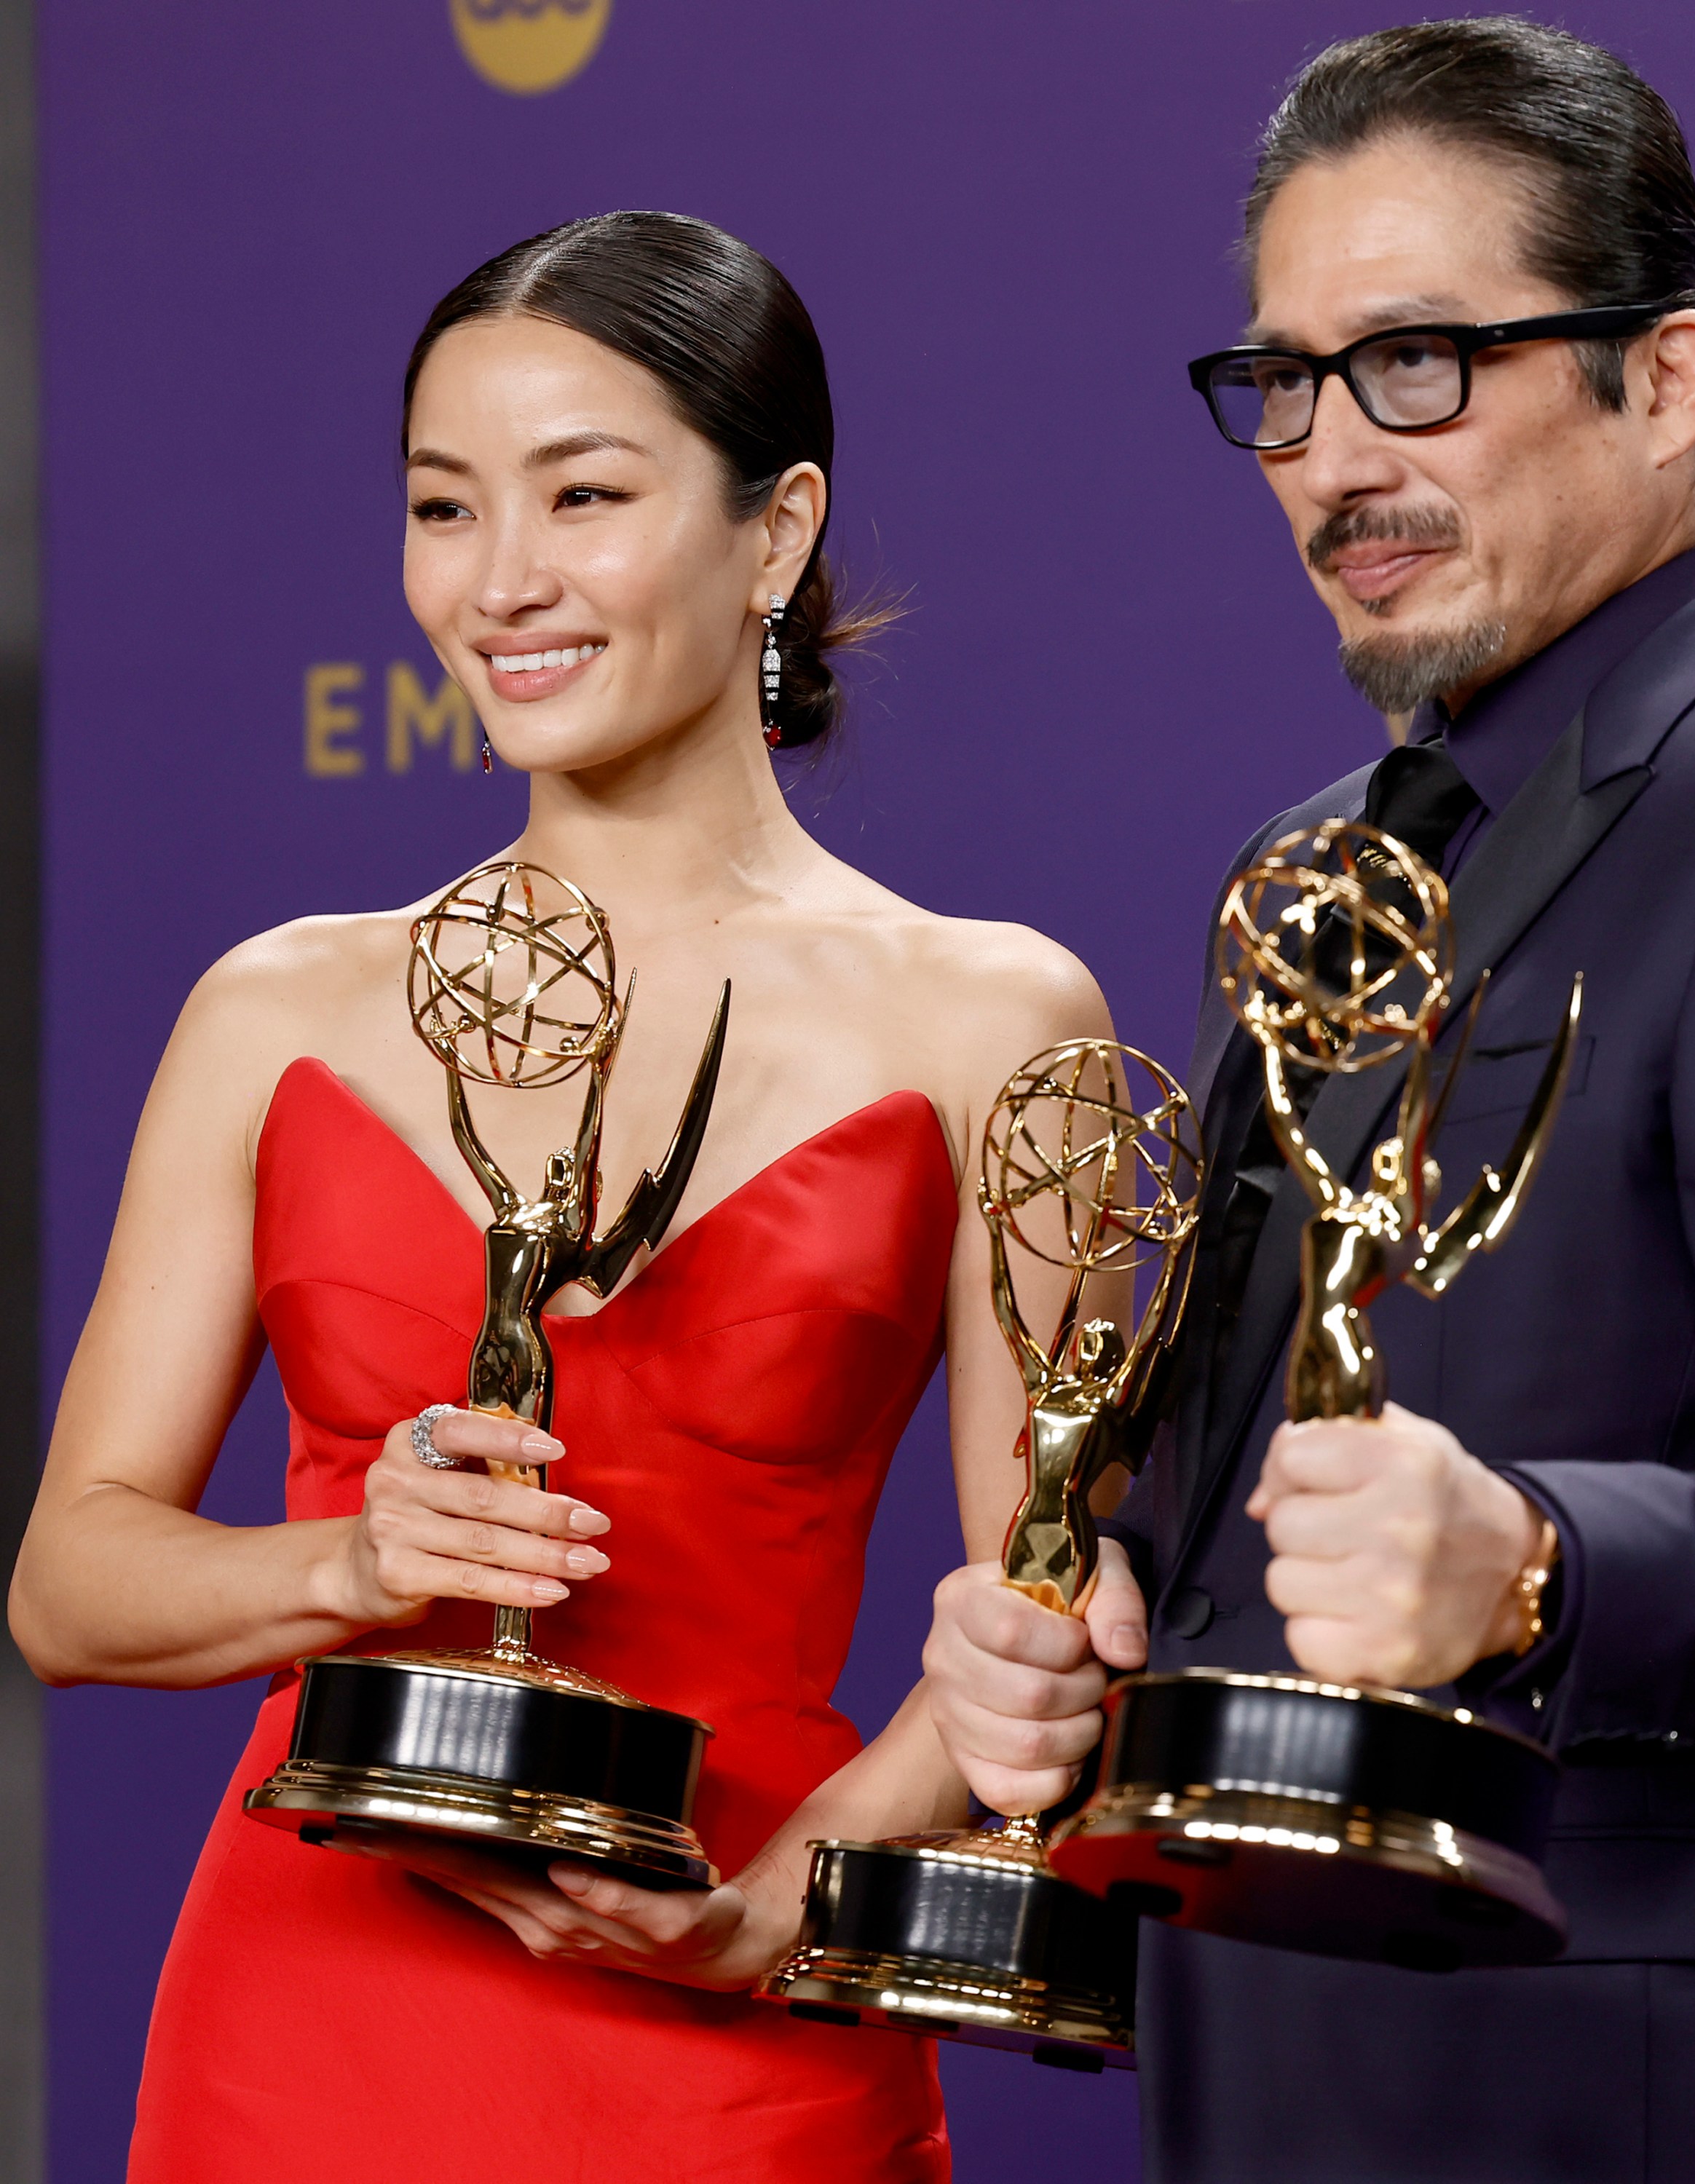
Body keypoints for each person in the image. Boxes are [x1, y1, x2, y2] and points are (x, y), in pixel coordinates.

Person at [920, 20, 1695, 2183]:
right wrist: (1070, 1620)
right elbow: (1249, 1468)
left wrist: (1530, 1560)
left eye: (1421, 361)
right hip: (1263, 2061)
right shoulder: (1319, 861)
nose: (1340, 459)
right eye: (1288, 384)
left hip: (1621, 2097)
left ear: (1668, 378)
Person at [7, 211, 1115, 2183]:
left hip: (750, 2003)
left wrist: (781, 1909)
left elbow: (1045, 1596)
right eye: (444, 507)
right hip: (307, 2029)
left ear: (774, 534)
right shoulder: (277, 1008)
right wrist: (352, 1563)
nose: (499, 581)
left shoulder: (997, 1019)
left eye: (582, 496)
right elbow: (70, 1587)